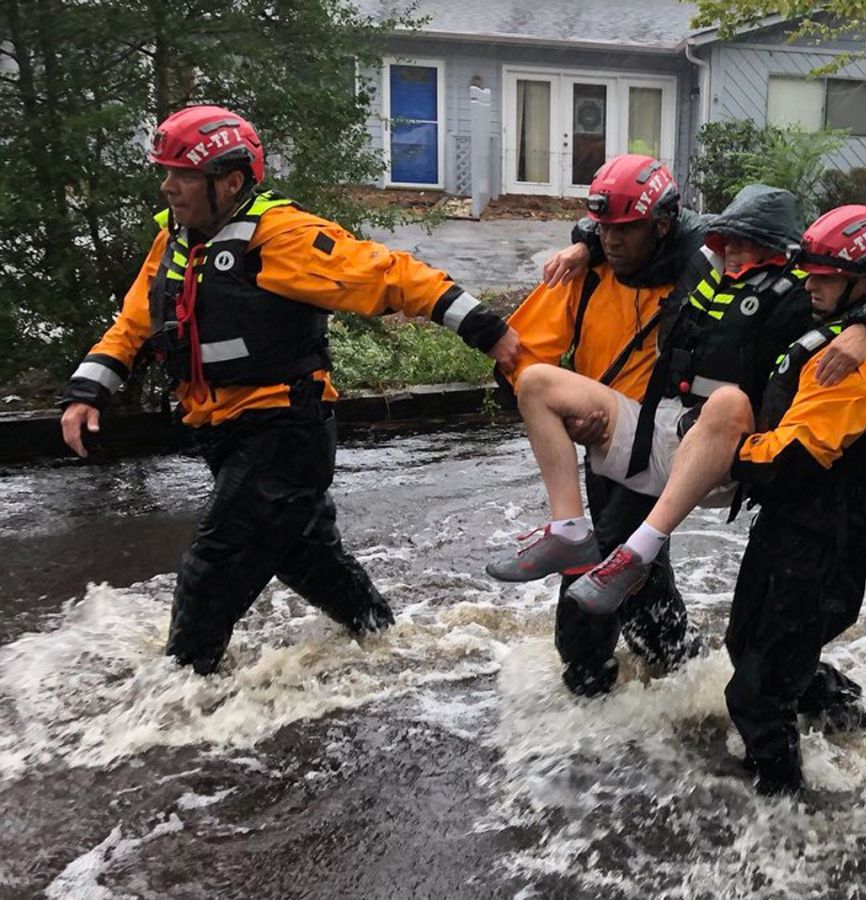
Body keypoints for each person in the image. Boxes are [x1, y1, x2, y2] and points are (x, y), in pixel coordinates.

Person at [57, 105, 520, 675]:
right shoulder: (172, 243)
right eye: (166, 171)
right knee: (308, 560)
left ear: (229, 182)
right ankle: (392, 649)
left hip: (282, 430)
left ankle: (179, 696)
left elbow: (390, 275)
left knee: (214, 563)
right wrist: (88, 392)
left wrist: (489, 330)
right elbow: (134, 325)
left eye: (181, 174)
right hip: (223, 432)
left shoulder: (283, 237)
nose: (167, 185)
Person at [569, 205, 866, 794]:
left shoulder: (861, 369)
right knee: (749, 651)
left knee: (755, 692)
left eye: (826, 277)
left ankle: (785, 808)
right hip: (790, 535)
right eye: (810, 272)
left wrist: (713, 448)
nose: (810, 285)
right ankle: (854, 722)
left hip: (822, 548)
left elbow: (789, 460)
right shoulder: (839, 323)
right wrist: (587, 240)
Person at [498, 185, 866, 612]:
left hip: (723, 453)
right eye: (727, 239)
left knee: (726, 402)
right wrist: (586, 244)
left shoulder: (806, 289)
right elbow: (641, 221)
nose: (731, 250)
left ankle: (637, 553)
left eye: (746, 242)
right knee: (536, 382)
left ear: (780, 249)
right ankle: (569, 531)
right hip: (656, 430)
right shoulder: (703, 254)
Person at [486, 153, 707, 697]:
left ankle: (585, 680)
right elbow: (519, 358)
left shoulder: (702, 275)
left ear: (661, 225)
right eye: (603, 227)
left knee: (597, 561)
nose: (611, 239)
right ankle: (684, 670)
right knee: (637, 569)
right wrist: (565, 411)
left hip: (661, 448)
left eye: (625, 229)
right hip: (602, 448)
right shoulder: (585, 275)